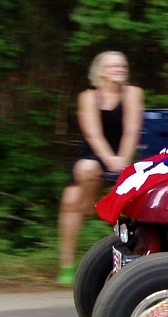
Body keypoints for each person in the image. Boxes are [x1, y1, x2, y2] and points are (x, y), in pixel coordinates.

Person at [57, 51, 144, 284]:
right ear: (100, 71)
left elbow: (131, 130)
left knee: (71, 199)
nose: (119, 68)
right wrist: (108, 159)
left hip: (124, 154)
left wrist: (122, 160)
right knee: (75, 191)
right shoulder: (88, 96)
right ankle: (66, 265)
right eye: (113, 65)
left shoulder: (133, 93)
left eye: (122, 65)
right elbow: (92, 133)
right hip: (94, 154)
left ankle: (141, 255)